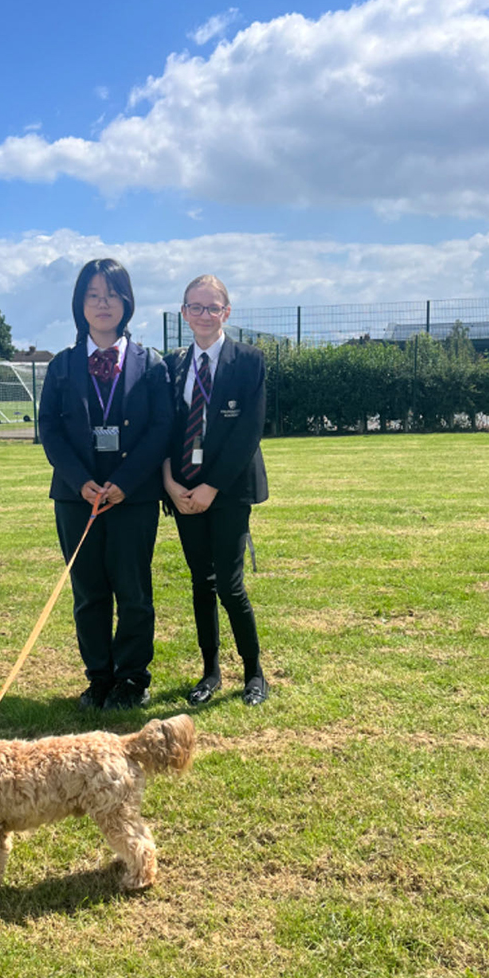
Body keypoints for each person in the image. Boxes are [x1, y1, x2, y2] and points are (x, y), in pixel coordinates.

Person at [39, 258, 172, 711]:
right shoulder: (61, 366)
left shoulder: (151, 365)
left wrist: (124, 483)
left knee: (134, 591)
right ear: (80, 304)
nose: (103, 304)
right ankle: (99, 677)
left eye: (112, 294)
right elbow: (50, 429)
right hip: (76, 498)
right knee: (88, 591)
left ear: (126, 302)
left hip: (132, 498)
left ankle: (131, 679)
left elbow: (161, 429)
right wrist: (81, 482)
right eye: (93, 295)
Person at [163, 275, 269, 706]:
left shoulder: (249, 361)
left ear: (226, 312)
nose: (204, 315)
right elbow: (164, 428)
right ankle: (210, 671)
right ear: (184, 313)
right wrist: (170, 483)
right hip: (184, 491)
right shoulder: (172, 365)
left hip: (229, 489)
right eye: (195, 307)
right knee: (200, 584)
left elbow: (248, 432)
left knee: (229, 584)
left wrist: (212, 487)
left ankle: (254, 672)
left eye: (212, 307)